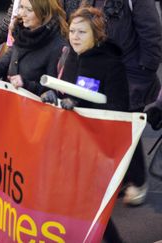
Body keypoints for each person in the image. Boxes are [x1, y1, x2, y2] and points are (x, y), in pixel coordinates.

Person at [62, 0, 162, 206]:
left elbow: (151, 33)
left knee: (125, 129)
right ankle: (117, 181)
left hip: (132, 75)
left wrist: (145, 70)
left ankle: (137, 180)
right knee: (105, 127)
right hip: (103, 71)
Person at [41, 6, 128, 242]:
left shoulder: (111, 64)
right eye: (72, 31)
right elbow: (66, 93)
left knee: (90, 210)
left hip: (97, 149)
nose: (75, 37)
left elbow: (119, 112)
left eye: (82, 32)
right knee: (75, 208)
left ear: (96, 35)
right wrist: (55, 98)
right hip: (72, 146)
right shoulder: (72, 57)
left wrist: (79, 105)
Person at [0, 0, 67, 96]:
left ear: (44, 13)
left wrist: (26, 84)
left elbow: (53, 91)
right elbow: (10, 57)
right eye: (21, 7)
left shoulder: (57, 46)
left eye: (29, 10)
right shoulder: (22, 31)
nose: (22, 13)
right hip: (10, 101)